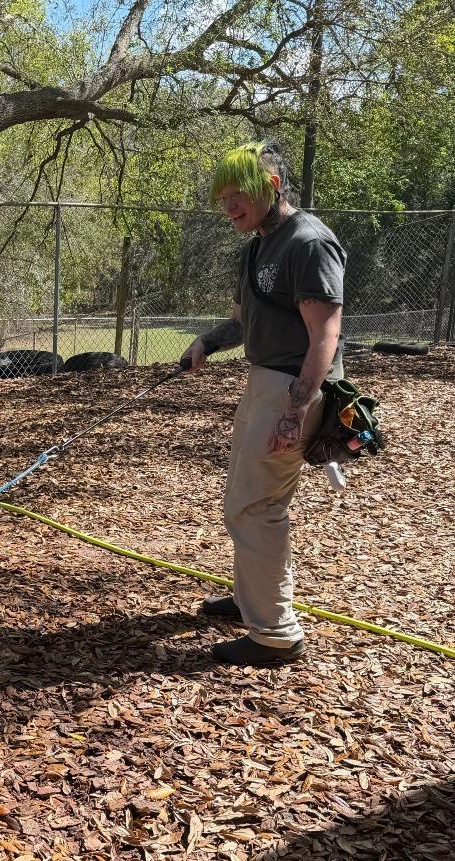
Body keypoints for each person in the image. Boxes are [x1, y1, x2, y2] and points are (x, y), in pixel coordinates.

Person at [181, 140, 345, 667]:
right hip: (263, 381)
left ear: (271, 187)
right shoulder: (258, 244)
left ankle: (275, 634)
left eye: (238, 195)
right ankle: (252, 598)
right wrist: (206, 342)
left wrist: (297, 409)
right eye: (223, 197)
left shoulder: (308, 243)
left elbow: (326, 335)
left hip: (292, 388)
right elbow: (243, 321)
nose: (229, 206)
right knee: (244, 499)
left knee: (257, 507)